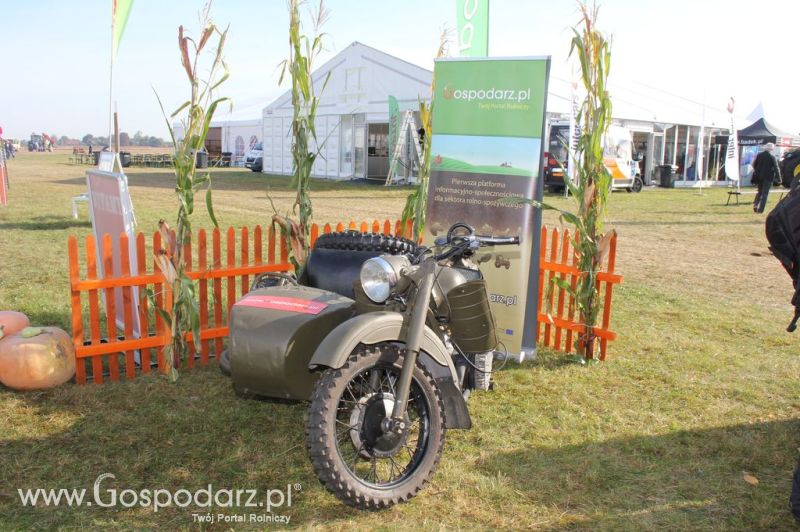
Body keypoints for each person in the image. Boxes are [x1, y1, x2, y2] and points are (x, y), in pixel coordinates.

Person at [752, 142, 781, 213]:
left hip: (759, 176)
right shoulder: (772, 157)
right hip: (768, 177)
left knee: (759, 192)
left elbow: (754, 165)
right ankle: (760, 210)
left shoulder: (759, 155)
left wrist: (757, 171)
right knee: (765, 194)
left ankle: (755, 205)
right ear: (772, 149)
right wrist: (779, 178)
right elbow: (776, 168)